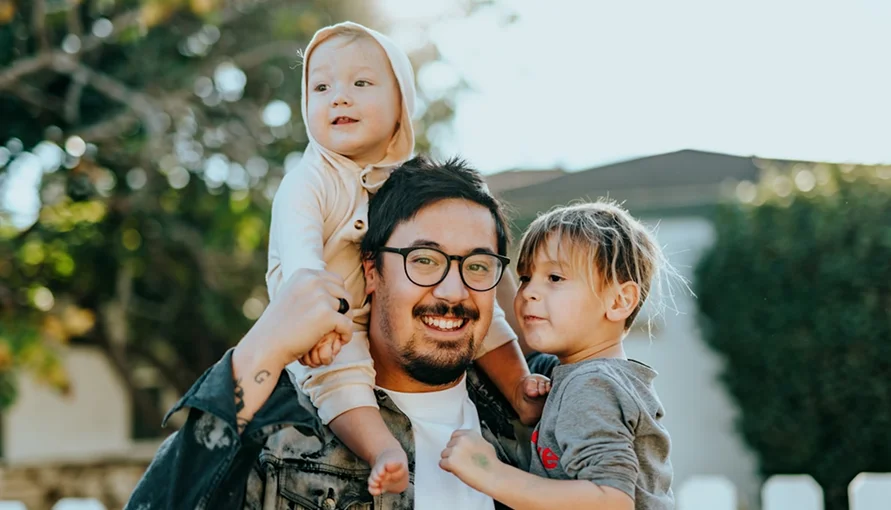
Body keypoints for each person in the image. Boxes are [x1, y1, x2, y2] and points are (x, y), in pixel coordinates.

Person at [125, 156, 558, 510]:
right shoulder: (283, 425)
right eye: (424, 260)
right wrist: (263, 347)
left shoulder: (551, 408)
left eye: (477, 266)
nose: (452, 289)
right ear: (371, 270)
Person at [266, 22, 545, 495]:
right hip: (327, 323)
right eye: (321, 87)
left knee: (486, 313)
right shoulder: (309, 180)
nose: (339, 97)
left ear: (402, 106)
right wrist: (316, 325)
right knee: (341, 377)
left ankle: (519, 388)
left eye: (360, 83)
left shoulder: (406, 184)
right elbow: (301, 264)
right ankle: (382, 449)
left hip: (356, 313)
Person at [440, 202, 681, 510]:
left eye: (554, 278)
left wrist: (491, 473)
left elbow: (612, 502)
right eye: (525, 277)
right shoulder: (589, 379)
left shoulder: (591, 385)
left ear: (620, 301)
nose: (528, 292)